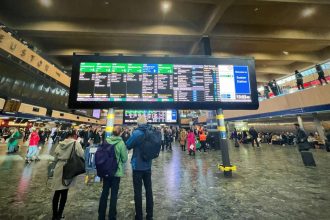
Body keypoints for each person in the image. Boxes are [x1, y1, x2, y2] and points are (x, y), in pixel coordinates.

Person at [52, 130, 84, 220]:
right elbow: (82, 154)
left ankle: (54, 215)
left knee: (56, 192)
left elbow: (55, 157)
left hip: (59, 167)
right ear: (74, 136)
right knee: (64, 192)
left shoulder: (60, 143)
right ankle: (60, 214)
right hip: (69, 167)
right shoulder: (75, 143)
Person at [126, 116, 154, 220]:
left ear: (138, 123)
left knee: (137, 192)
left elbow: (128, 145)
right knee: (149, 190)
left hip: (137, 166)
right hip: (148, 166)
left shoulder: (137, 133)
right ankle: (150, 215)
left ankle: (139, 216)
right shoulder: (151, 132)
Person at [98, 126, 128, 220]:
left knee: (105, 192)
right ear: (120, 133)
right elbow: (124, 159)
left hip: (106, 171)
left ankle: (101, 215)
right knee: (114, 194)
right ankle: (112, 215)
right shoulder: (121, 143)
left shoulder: (106, 140)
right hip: (116, 172)